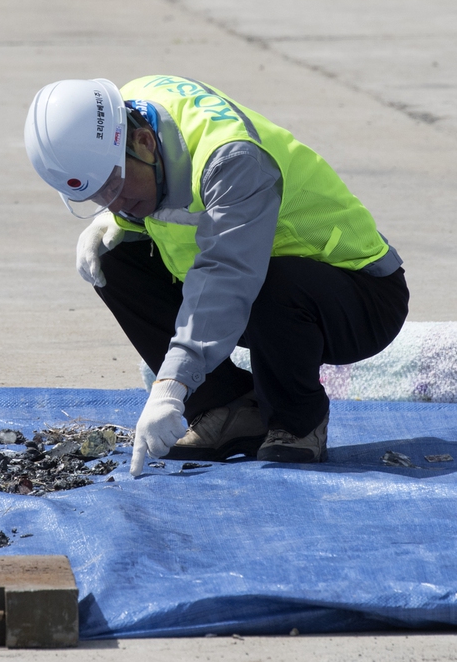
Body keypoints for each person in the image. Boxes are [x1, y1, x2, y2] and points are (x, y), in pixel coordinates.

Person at [24, 75, 409, 476]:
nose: (114, 203)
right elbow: (167, 220)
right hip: (257, 297)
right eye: (97, 195)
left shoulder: (231, 160)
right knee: (114, 256)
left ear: (144, 144)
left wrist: (171, 386)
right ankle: (229, 407)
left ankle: (297, 420)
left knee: (268, 280)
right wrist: (115, 218)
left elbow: (228, 275)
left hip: (359, 297)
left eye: (115, 186)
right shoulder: (130, 113)